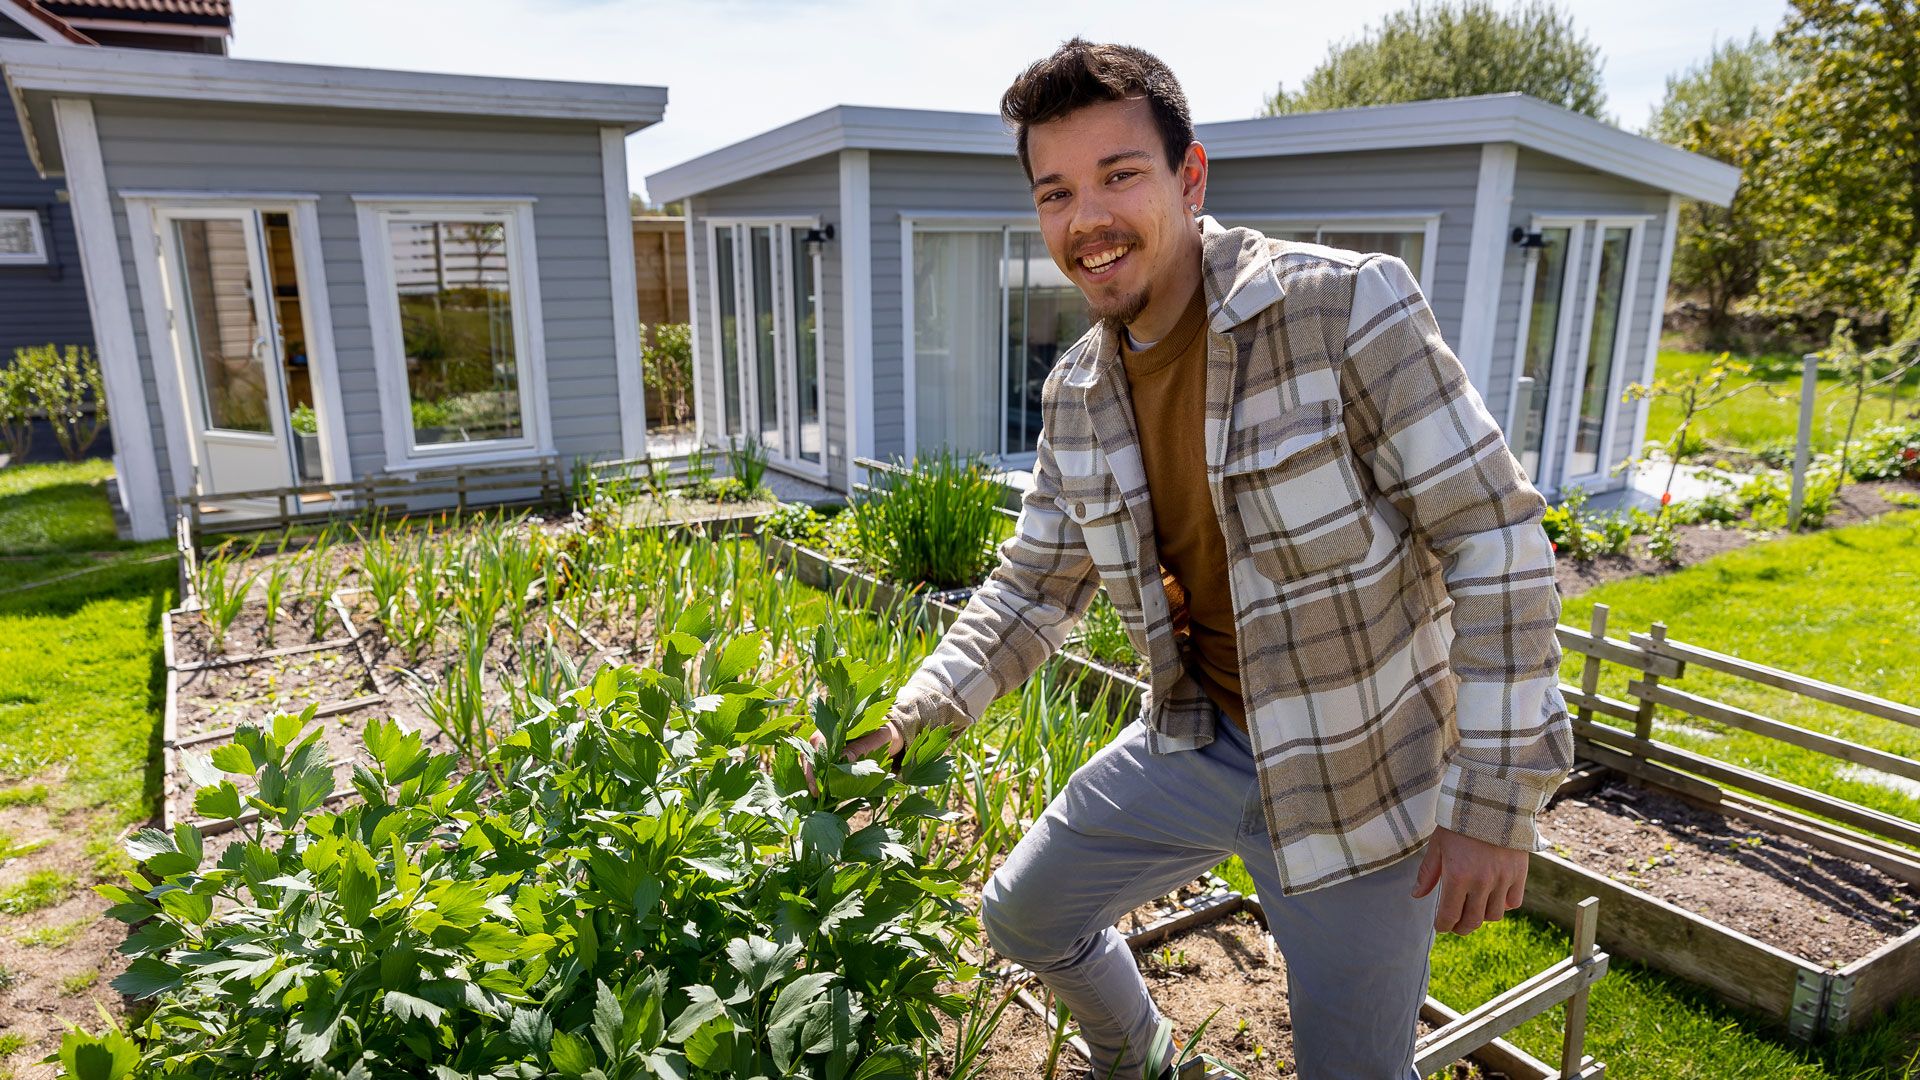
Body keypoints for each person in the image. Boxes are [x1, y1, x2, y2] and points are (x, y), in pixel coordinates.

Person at [835, 38, 1573, 1080]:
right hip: (1199, 739)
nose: (1087, 220)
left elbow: (1495, 541)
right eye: (1056, 193)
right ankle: (1145, 1059)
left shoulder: (1344, 309)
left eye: (1119, 175)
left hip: (1360, 773)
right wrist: (916, 713)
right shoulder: (1078, 395)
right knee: (1023, 917)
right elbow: (1034, 587)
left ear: (1190, 177)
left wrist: (1497, 801)